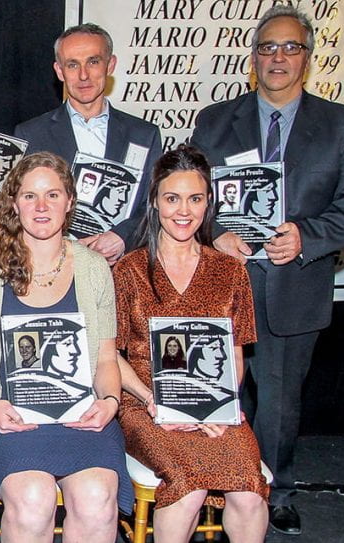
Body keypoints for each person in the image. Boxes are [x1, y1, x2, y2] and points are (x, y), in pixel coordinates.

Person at [190, 4, 344, 535]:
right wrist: (212, 229)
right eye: (268, 47)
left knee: (277, 403)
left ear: (308, 58)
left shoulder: (341, 125)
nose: (278, 57)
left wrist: (306, 237)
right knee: (215, 393)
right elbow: (189, 192)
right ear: (253, 58)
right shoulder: (214, 121)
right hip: (223, 285)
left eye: (290, 47)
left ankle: (273, 492)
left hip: (295, 284)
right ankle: (215, 483)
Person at [0, 151, 132, 542]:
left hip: (81, 415)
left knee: (97, 497)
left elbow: (106, 358)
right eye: (29, 195)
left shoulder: (93, 268)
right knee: (34, 499)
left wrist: (109, 402)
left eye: (52, 195)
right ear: (13, 203)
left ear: (69, 202)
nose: (41, 206)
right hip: (4, 416)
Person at [113, 144, 269, 542]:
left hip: (214, 404)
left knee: (250, 492)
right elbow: (108, 356)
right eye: (172, 198)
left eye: (195, 198)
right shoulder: (129, 270)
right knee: (189, 486)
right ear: (154, 202)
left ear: (208, 203)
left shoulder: (230, 271)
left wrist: (213, 406)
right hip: (144, 403)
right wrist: (154, 400)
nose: (183, 210)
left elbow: (236, 356)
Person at [14, 23, 161, 264]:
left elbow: (154, 202)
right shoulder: (30, 133)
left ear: (110, 65)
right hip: (54, 268)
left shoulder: (144, 135)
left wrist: (123, 236)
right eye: (72, 65)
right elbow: (22, 205)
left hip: (124, 270)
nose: (83, 75)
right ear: (59, 71)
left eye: (93, 62)